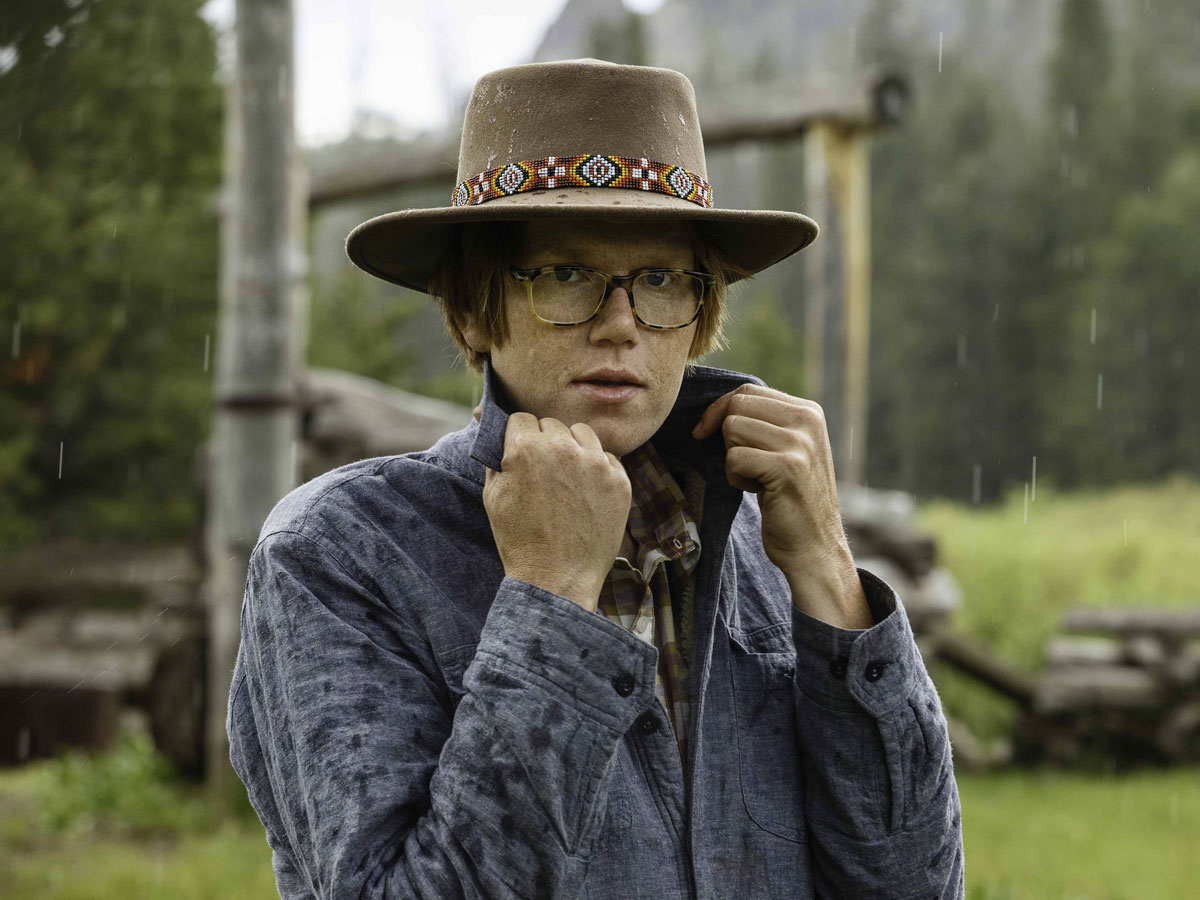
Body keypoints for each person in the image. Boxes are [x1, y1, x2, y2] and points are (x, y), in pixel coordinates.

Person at [226, 58, 964, 899]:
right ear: (471, 310)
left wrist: (829, 571)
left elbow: (913, 886)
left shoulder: (765, 550)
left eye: (661, 280)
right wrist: (550, 603)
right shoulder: (339, 553)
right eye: (566, 274)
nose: (620, 324)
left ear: (700, 313)